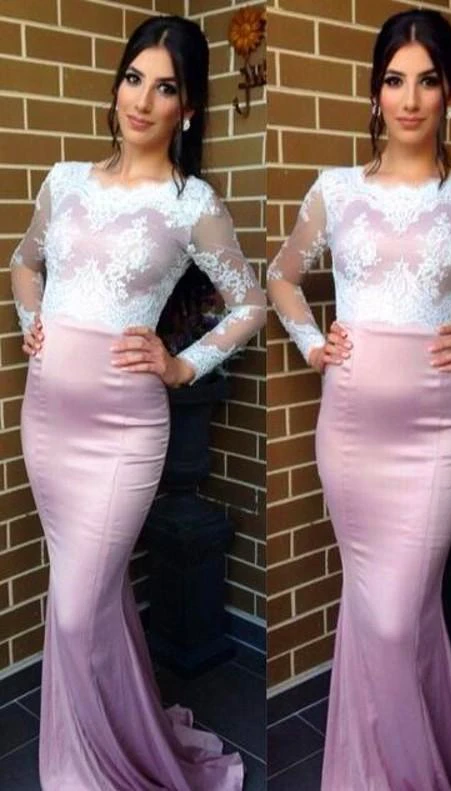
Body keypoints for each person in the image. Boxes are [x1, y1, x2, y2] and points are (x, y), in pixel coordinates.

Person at [267, 8, 451, 791]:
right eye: (394, 80)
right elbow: (281, 275)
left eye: (427, 81)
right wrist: (312, 343)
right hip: (350, 429)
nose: (410, 99)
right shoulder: (336, 190)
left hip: (437, 432)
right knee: (381, 610)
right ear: (375, 91)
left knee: (395, 614)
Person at [10, 15, 266, 791]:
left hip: (124, 430)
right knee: (87, 595)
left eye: (165, 88)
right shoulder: (65, 181)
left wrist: (181, 364)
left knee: (78, 607)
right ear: (117, 85)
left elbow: (250, 304)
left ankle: (89, 771)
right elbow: (23, 262)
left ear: (188, 109)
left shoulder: (192, 203)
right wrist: (32, 320)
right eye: (133, 79)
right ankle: (109, 735)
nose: (142, 100)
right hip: (48, 419)